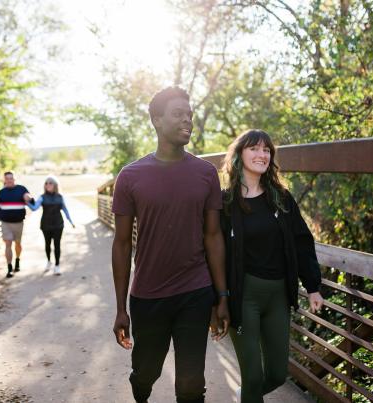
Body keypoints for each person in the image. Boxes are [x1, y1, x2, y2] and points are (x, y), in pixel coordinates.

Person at [111, 86, 230, 403]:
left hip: (195, 290)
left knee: (192, 382)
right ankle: (141, 387)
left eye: (190, 115)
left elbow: (213, 236)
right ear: (156, 120)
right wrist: (121, 308)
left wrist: (221, 296)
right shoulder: (131, 176)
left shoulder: (205, 173)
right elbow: (122, 245)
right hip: (148, 295)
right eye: (179, 114)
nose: (188, 121)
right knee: (147, 372)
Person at [218, 129, 323, 403]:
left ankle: (248, 397)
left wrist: (313, 287)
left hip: (278, 296)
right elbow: (212, 253)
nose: (262, 155)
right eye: (254, 148)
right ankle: (250, 395)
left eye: (267, 150)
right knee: (252, 376)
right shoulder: (225, 203)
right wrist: (216, 300)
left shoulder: (281, 198)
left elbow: (302, 242)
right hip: (244, 297)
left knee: (276, 374)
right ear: (240, 154)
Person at [27, 175, 75, 275]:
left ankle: (57, 266)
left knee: (57, 245)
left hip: (58, 224)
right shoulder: (42, 197)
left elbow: (65, 210)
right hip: (46, 225)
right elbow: (34, 208)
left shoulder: (60, 197)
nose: (48, 185)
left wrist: (71, 222)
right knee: (47, 244)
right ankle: (49, 261)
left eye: (50, 183)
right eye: (46, 183)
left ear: (55, 185)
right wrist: (26, 202)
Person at [0, 171, 32, 278]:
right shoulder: (1, 193)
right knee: (8, 243)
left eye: (11, 178)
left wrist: (29, 197)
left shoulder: (21, 189)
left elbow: (30, 200)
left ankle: (17, 260)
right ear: (4, 180)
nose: (9, 180)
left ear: (14, 179)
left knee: (18, 244)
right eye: (7, 178)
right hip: (6, 223)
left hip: (18, 223)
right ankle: (9, 268)